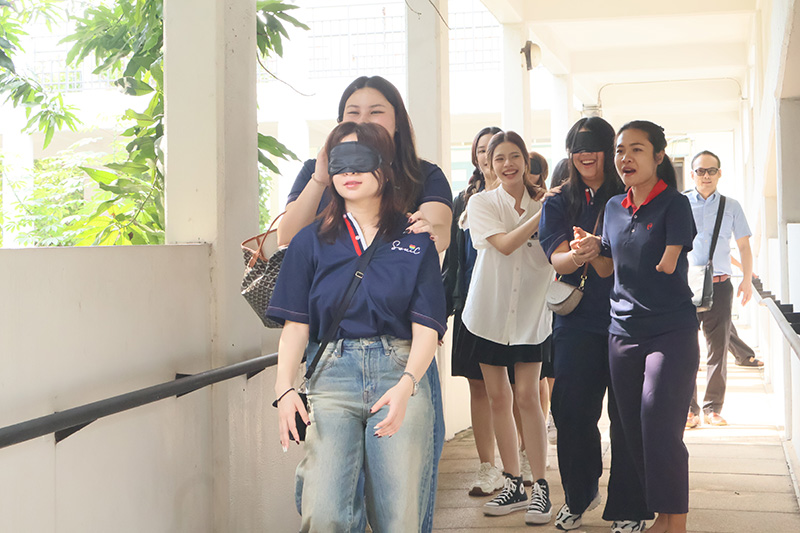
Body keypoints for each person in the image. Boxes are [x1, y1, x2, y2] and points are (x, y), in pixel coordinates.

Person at [276, 75, 452, 531]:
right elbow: (294, 310)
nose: (350, 170)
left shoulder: (418, 215)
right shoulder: (314, 237)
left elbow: (429, 314)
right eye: (351, 113)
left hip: (400, 366)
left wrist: (409, 380)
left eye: (376, 112)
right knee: (327, 509)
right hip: (332, 368)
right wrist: (283, 389)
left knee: (399, 513)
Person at [579, 120, 699, 533]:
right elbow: (608, 268)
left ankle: (675, 523)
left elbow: (666, 266)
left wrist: (650, 252)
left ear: (659, 156)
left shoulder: (675, 204)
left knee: (659, 426)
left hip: (670, 332)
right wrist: (589, 250)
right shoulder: (613, 207)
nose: (624, 158)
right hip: (621, 333)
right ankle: (661, 517)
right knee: (632, 433)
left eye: (637, 150)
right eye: (619, 150)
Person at [538, 116, 652, 533]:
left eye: (595, 146)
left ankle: (631, 506)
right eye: (577, 146)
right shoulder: (557, 202)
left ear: (611, 150)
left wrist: (599, 247)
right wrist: (584, 252)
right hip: (577, 323)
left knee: (626, 417)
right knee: (570, 412)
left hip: (631, 320)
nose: (585, 154)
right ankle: (580, 494)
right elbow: (557, 259)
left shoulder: (632, 196)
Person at [459, 131, 553, 524]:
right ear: (489, 164)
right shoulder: (481, 203)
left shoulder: (549, 204)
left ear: (526, 162)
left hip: (532, 316)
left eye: (515, 157)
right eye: (499, 159)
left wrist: (548, 209)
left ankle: (541, 488)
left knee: (529, 397)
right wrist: (543, 213)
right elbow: (505, 244)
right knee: (498, 398)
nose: (507, 164)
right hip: (488, 315)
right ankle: (512, 482)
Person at [442, 126, 507, 496]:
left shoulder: (521, 198)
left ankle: (523, 458)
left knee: (513, 388)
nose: (487, 156)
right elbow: (453, 259)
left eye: (495, 149)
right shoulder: (462, 200)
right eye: (482, 149)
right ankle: (488, 467)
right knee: (478, 387)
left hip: (510, 306)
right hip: (471, 305)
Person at [685, 150, 754, 428]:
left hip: (720, 285)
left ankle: (712, 407)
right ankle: (689, 409)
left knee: (718, 349)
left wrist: (747, 279)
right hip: (684, 286)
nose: (705, 176)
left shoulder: (731, 206)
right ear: (692, 174)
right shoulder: (679, 203)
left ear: (719, 173)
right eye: (700, 171)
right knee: (687, 350)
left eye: (711, 170)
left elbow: (744, 246)